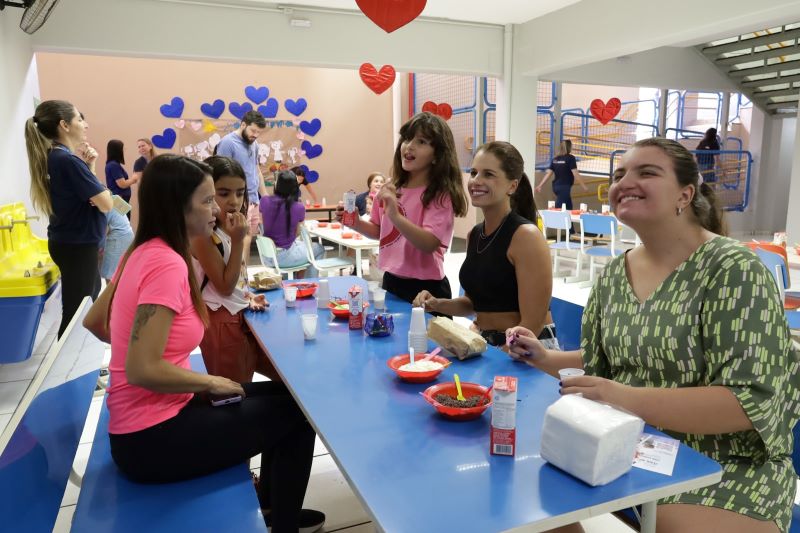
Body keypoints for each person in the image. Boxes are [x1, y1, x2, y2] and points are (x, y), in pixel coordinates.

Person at [507, 137, 799, 533]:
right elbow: (609, 360)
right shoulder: (614, 274)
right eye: (619, 174)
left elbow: (746, 404)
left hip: (724, 466)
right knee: (531, 512)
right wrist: (545, 357)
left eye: (647, 172)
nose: (625, 181)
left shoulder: (734, 270)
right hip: (629, 447)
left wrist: (622, 397)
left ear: (686, 193)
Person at [82, 155, 325, 533]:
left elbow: (97, 322)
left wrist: (148, 348)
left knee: (294, 401)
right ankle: (283, 523)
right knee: (300, 418)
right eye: (208, 200)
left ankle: (275, 507)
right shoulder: (167, 263)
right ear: (177, 205)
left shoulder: (144, 250)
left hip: (146, 422)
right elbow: (141, 368)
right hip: (150, 439)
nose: (218, 209)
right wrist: (208, 382)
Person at [412, 142, 556, 349]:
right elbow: (473, 303)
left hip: (527, 347)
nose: (476, 181)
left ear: (512, 186)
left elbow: (532, 323)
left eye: (488, 174)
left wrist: (500, 356)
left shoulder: (526, 236)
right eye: (473, 172)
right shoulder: (476, 235)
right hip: (488, 342)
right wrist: (437, 303)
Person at [340, 112, 468, 302]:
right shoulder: (390, 188)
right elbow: (378, 230)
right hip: (392, 281)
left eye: (422, 141)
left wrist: (395, 215)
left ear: (437, 156)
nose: (409, 145)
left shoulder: (439, 194)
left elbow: (429, 243)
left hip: (427, 289)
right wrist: (355, 222)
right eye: (407, 138)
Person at [24, 100, 113, 338]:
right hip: (77, 245)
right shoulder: (67, 160)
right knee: (78, 315)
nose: (85, 124)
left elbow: (91, 197)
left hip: (74, 243)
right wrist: (94, 180)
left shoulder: (59, 158)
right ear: (64, 125)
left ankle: (83, 369)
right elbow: (106, 203)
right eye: (79, 119)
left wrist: (91, 166)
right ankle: (67, 373)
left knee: (85, 308)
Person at [191, 156, 279, 383]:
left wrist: (246, 295)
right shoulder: (202, 234)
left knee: (276, 373)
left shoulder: (224, 228)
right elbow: (223, 286)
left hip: (237, 314)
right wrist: (240, 240)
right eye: (223, 193)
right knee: (233, 388)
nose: (234, 201)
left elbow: (234, 277)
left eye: (240, 193)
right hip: (219, 320)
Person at [216, 111, 268, 253]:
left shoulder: (254, 144)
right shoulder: (228, 143)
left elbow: (256, 171)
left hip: (253, 199)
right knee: (235, 238)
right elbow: (219, 174)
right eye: (253, 130)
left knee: (248, 237)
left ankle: (243, 274)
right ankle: (235, 273)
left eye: (258, 132)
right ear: (243, 124)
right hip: (238, 200)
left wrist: (265, 197)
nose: (255, 135)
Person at [260, 170, 323, 278]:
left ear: (277, 185)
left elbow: (263, 224)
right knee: (319, 248)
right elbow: (299, 232)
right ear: (295, 188)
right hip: (285, 257)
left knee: (298, 247)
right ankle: (309, 283)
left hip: (267, 256)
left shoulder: (265, 201)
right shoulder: (298, 207)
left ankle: (291, 280)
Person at [535, 139, 588, 210]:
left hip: (556, 186)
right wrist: (583, 186)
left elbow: (548, 174)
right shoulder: (570, 158)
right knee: (559, 207)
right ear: (569, 147)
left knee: (568, 206)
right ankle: (554, 219)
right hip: (564, 187)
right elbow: (575, 174)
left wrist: (540, 185)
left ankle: (569, 220)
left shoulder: (555, 159)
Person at [100, 208, 134, 283]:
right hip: (126, 234)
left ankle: (111, 294)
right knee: (115, 272)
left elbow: (105, 228)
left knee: (111, 274)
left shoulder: (101, 202)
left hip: (118, 236)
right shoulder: (114, 199)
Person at [130, 138, 156, 232]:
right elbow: (140, 181)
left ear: (150, 146)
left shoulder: (158, 160)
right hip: (147, 193)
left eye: (143, 145)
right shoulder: (139, 162)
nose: (141, 148)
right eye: (139, 146)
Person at [105, 139, 137, 211]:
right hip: (119, 199)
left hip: (119, 198)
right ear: (118, 150)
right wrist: (134, 179)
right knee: (124, 220)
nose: (124, 150)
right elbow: (122, 184)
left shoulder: (113, 164)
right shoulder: (114, 165)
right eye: (123, 148)